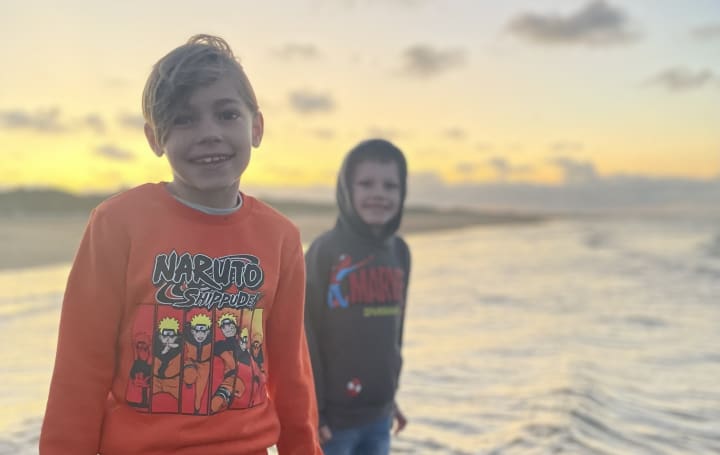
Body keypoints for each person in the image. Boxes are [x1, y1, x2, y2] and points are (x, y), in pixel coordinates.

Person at [39, 34, 322, 455]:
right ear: (155, 138)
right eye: (184, 120)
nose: (209, 133)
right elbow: (80, 370)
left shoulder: (281, 237)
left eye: (227, 114)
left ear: (256, 127)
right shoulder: (117, 223)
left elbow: (291, 375)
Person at [304, 139, 411, 454]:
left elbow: (395, 334)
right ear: (346, 190)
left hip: (379, 415)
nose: (379, 194)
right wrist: (315, 409)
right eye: (366, 184)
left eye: (390, 186)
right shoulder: (325, 251)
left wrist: (390, 397)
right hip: (333, 422)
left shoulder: (400, 252)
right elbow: (306, 336)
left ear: (402, 193)